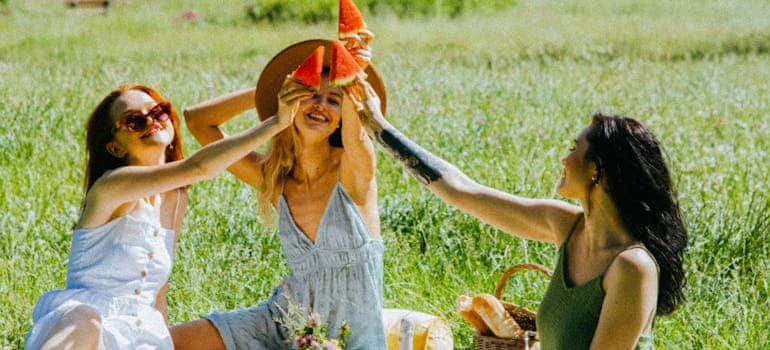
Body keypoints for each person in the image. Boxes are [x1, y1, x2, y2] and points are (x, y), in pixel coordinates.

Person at [348, 78, 687, 349]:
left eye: (573, 149)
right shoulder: (567, 226)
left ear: (597, 170)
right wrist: (380, 129)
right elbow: (461, 191)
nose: (563, 160)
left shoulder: (632, 268)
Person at [25, 83, 296, 350]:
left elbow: (159, 292)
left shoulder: (175, 199)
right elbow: (199, 167)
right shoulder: (111, 186)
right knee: (84, 319)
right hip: (85, 328)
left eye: (158, 112)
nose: (151, 122)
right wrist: (275, 122)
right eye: (134, 121)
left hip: (140, 333)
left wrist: (275, 86)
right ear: (115, 148)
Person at [171, 39, 389, 350]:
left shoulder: (354, 170)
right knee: (168, 341)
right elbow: (199, 121)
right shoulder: (275, 179)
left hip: (350, 338)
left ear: (345, 114)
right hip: (282, 322)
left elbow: (359, 128)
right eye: (310, 94)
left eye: (333, 100)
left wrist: (351, 77)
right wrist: (273, 92)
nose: (320, 105)